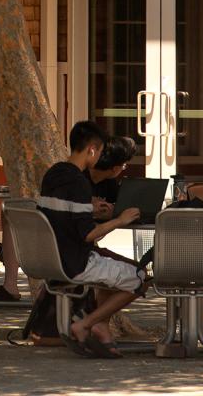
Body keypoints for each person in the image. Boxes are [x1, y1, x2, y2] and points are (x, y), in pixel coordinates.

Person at [0, 134, 139, 302]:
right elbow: (85, 230)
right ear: (115, 167)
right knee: (139, 276)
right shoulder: (75, 179)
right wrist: (92, 211)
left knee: (127, 268)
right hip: (67, 256)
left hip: (61, 252)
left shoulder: (105, 183)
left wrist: (110, 213)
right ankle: (93, 320)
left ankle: (93, 317)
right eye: (123, 166)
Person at [38, 121, 145, 359]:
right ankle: (86, 324)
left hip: (51, 257)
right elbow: (88, 234)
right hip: (75, 261)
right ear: (93, 150)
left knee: (117, 269)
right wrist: (120, 219)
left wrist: (91, 210)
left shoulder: (53, 173)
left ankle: (100, 326)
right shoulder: (78, 182)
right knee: (140, 278)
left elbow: (64, 215)